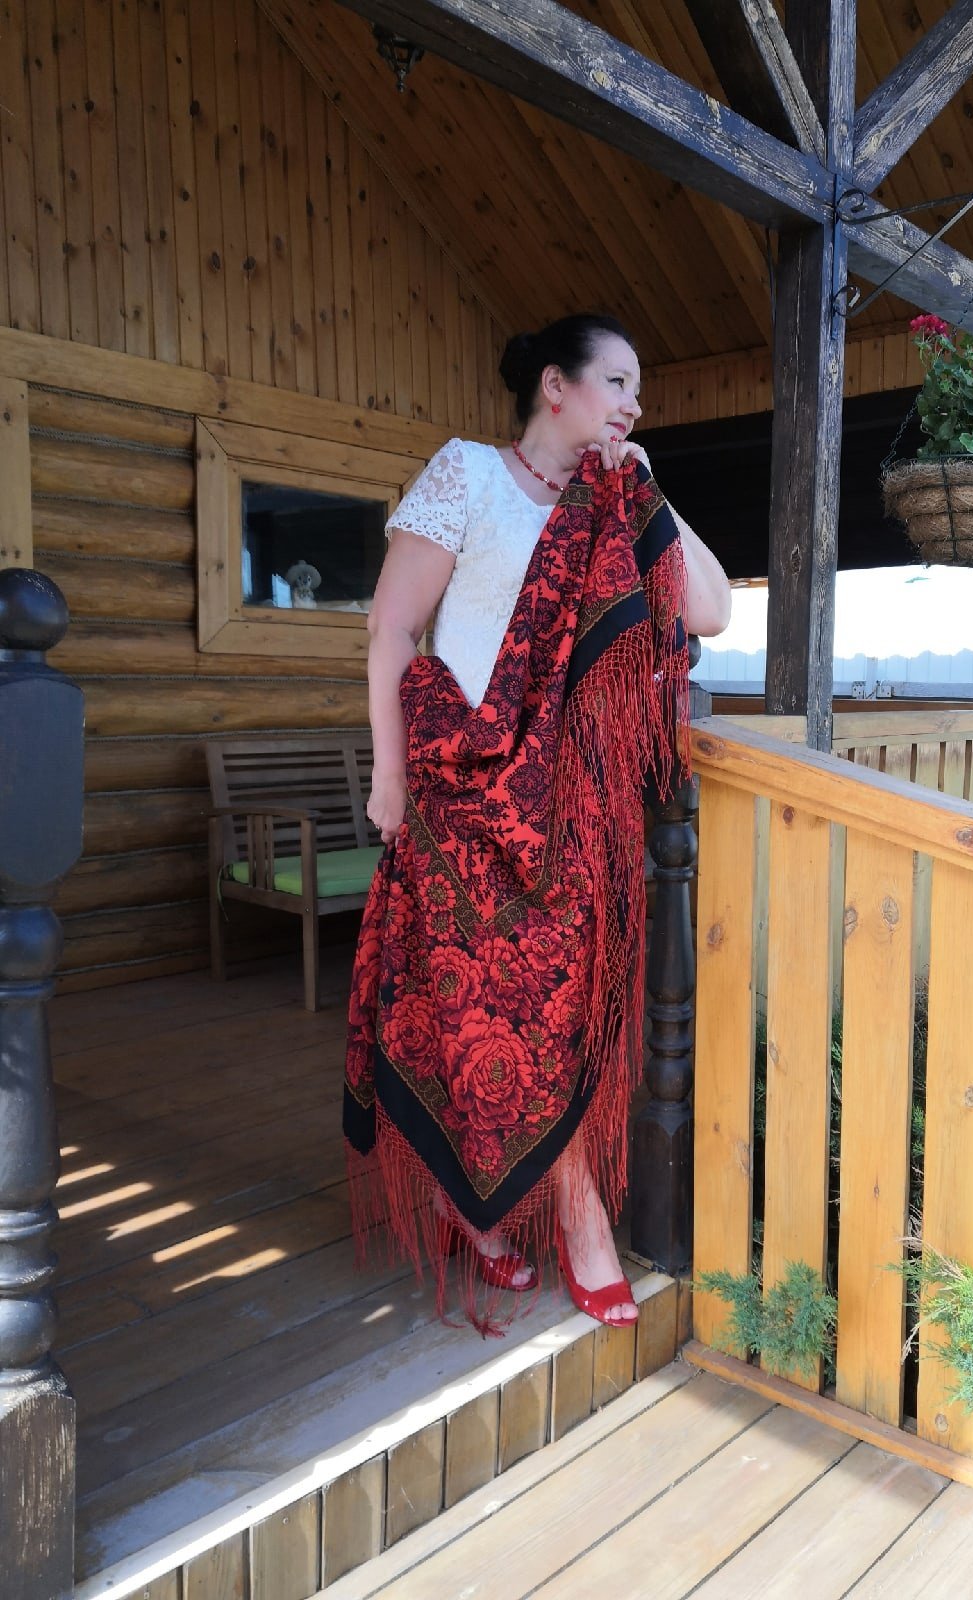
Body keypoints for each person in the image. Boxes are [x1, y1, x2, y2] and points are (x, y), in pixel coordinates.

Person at [344, 313, 731, 1333]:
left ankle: (463, 1204)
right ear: (555, 387)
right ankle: (580, 1215)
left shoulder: (613, 503)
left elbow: (711, 609)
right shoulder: (469, 474)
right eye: (617, 382)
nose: (632, 403)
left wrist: (650, 484)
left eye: (638, 388)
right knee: (478, 1015)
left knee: (550, 1019)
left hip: (570, 811)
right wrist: (389, 774)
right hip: (460, 800)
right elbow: (392, 629)